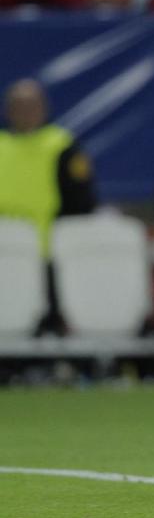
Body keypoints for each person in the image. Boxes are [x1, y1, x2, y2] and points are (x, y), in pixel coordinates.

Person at [0, 78, 97, 334]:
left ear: (44, 107)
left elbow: (82, 200)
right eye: (18, 106)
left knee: (55, 314)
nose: (26, 112)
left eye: (32, 105)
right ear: (7, 110)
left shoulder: (63, 144)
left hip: (53, 250)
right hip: (4, 250)